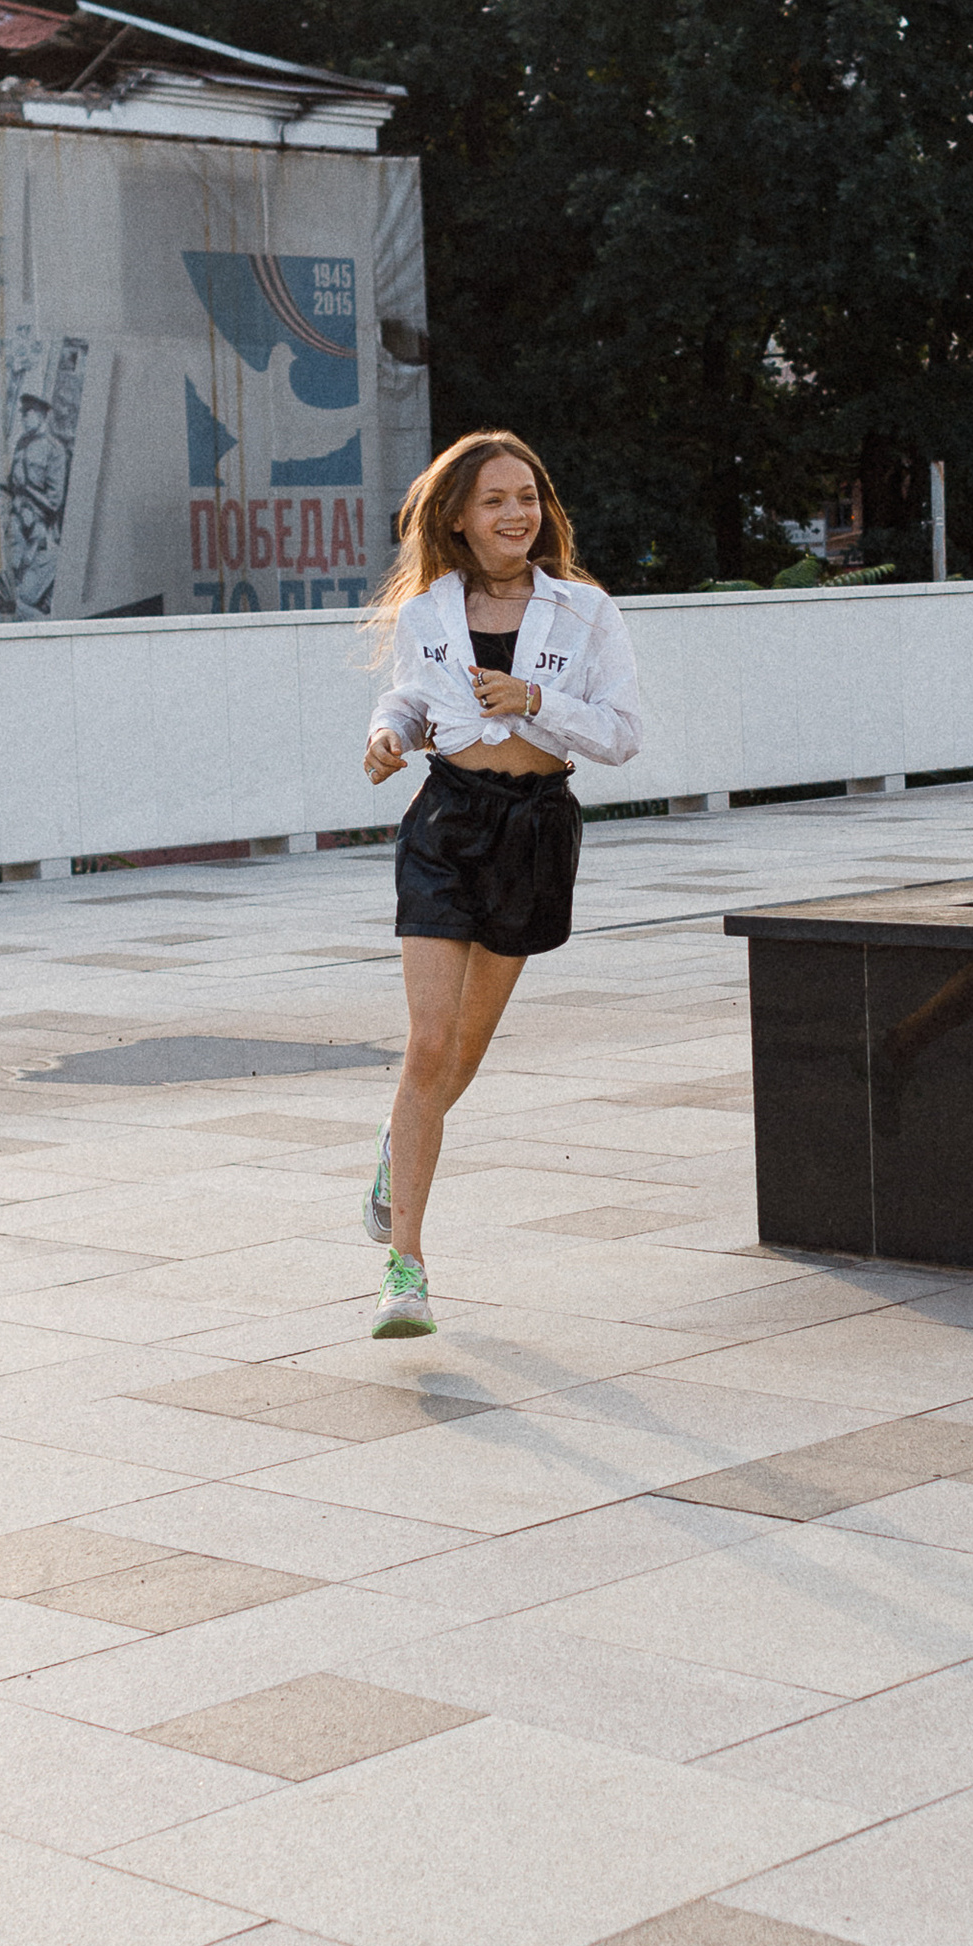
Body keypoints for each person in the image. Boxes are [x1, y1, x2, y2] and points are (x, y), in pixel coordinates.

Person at [359, 431, 643, 1336]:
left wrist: (535, 702)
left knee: (464, 1057)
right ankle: (406, 1269)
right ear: (456, 517)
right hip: (446, 822)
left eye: (527, 496)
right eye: (494, 501)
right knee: (428, 1043)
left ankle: (394, 1151)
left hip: (534, 828)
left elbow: (622, 734)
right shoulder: (427, 613)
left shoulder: (586, 612)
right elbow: (411, 697)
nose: (516, 513)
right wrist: (387, 732)